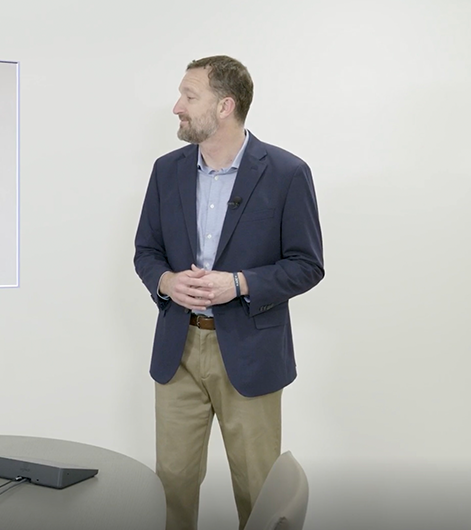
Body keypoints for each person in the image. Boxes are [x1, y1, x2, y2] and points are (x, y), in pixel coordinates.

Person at [133, 55, 323, 530]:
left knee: (260, 492)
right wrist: (167, 282)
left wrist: (237, 283)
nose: (177, 106)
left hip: (252, 354)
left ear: (225, 106)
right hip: (177, 351)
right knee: (171, 486)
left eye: (189, 96)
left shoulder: (286, 172)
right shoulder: (166, 171)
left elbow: (307, 265)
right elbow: (146, 252)